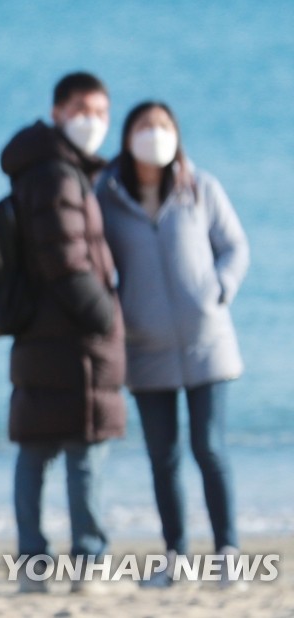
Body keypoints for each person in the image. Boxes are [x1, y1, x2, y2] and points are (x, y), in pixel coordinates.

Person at [95, 101, 250, 587]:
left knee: (209, 448)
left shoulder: (200, 187)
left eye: (162, 126)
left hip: (209, 343)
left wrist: (219, 290)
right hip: (145, 347)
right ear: (128, 136)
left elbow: (235, 246)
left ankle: (228, 555)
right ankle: (175, 559)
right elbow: (98, 262)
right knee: (162, 456)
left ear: (176, 135)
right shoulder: (108, 195)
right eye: (145, 126)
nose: (154, 135)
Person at [0, 72, 126, 593]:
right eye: (81, 109)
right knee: (84, 453)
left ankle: (33, 566)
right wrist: (108, 316)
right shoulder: (57, 174)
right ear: (56, 112)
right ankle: (87, 564)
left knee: (37, 451)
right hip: (73, 341)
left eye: (100, 111)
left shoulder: (45, 168)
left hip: (40, 336)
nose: (92, 121)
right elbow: (66, 261)